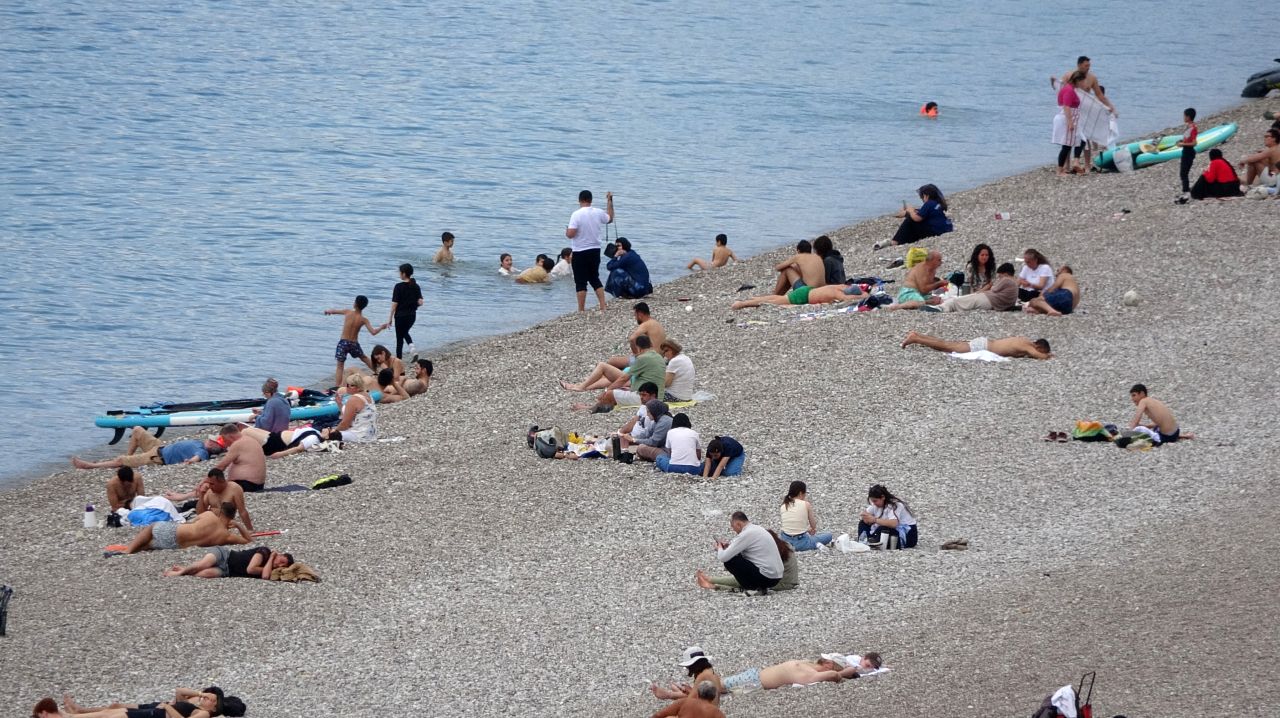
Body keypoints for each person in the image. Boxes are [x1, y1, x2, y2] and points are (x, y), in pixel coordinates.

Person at [564, 335, 666, 412]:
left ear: (639, 347)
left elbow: (624, 379)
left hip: (646, 397)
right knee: (617, 389)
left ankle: (588, 408)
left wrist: (606, 391)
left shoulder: (643, 358)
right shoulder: (658, 357)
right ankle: (587, 394)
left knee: (609, 394)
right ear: (650, 345)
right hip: (657, 395)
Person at [119, 501, 252, 555]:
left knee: (152, 528)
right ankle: (135, 549)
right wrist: (239, 525)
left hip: (174, 532)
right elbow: (248, 540)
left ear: (220, 511)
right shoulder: (225, 536)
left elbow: (189, 523)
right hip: (176, 545)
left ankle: (128, 551)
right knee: (149, 544)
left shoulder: (209, 515)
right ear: (232, 516)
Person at [1057, 56, 1117, 172]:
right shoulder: (1069, 75)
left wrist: (1110, 107)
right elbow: (1062, 91)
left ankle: (1087, 165)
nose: (1088, 68)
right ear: (1079, 65)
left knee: (1085, 138)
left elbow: (1100, 95)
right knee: (1068, 139)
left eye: (1089, 66)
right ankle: (1066, 166)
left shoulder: (1092, 78)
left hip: (1085, 110)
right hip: (1071, 109)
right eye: (1086, 66)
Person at [71, 427, 225, 471]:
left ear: (213, 447)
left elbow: (196, 458)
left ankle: (90, 465)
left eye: (213, 442)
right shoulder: (201, 444)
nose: (209, 441)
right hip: (159, 447)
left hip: (157, 458)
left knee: (121, 460)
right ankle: (126, 459)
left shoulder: (203, 452)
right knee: (137, 430)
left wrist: (190, 462)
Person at [696, 528, 796, 593]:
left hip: (783, 584)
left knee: (745, 583)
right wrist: (730, 549)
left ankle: (714, 585)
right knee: (746, 578)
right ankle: (711, 580)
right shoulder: (783, 546)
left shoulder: (773, 550)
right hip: (787, 581)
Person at [720, 653, 883, 693]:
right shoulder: (809, 667)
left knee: (716, 686)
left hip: (755, 681)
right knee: (716, 686)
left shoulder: (809, 670)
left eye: (827, 661)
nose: (823, 660)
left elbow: (833, 675)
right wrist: (848, 671)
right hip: (755, 678)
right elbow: (833, 674)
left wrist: (847, 672)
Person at [707, 511, 783, 594]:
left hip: (767, 578)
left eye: (733, 526)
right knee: (735, 556)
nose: (733, 529)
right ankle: (759, 588)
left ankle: (752, 588)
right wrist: (727, 548)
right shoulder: (757, 529)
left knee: (730, 561)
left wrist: (719, 548)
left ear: (738, 524)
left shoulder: (747, 534)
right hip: (776, 576)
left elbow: (723, 557)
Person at [566, 189, 614, 312]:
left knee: (580, 281)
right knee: (594, 277)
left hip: (580, 250)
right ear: (591, 200)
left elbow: (571, 234)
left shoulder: (576, 214)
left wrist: (566, 231)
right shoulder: (598, 212)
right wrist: (609, 201)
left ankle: (581, 309)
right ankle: (603, 305)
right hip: (595, 250)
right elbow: (610, 218)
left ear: (579, 200)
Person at [324, 294, 386, 390]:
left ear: (355, 304)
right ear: (364, 306)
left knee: (340, 365)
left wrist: (328, 311)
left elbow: (334, 311)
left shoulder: (348, 312)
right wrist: (381, 327)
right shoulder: (363, 320)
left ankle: (337, 387)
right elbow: (373, 332)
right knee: (364, 358)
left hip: (343, 343)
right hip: (354, 344)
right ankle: (378, 372)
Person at [163, 467, 253, 531]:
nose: (210, 486)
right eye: (209, 483)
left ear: (221, 481)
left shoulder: (234, 489)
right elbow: (200, 513)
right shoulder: (210, 492)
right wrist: (202, 495)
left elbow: (242, 511)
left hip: (220, 524)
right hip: (206, 521)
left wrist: (250, 530)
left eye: (212, 484)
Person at [61, 687, 231, 718]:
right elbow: (179, 691)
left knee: (115, 715)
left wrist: (167, 707)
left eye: (210, 699)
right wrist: (201, 693)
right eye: (207, 696)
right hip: (156, 709)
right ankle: (79, 712)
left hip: (157, 713)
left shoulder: (204, 713)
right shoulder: (196, 703)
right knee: (114, 709)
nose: (206, 698)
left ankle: (72, 716)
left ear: (214, 707)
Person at [873, 184, 953, 250]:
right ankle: (903, 241)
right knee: (913, 221)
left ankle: (895, 241)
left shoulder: (928, 204)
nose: (921, 199)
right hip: (942, 229)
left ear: (926, 196)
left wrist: (910, 211)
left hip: (935, 231)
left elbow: (917, 218)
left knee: (910, 221)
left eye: (922, 197)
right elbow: (923, 213)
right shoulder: (936, 204)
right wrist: (908, 212)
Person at [649, 647, 724, 708]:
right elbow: (705, 698)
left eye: (688, 666)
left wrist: (671, 696)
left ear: (694, 664)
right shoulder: (714, 675)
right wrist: (688, 691)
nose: (687, 668)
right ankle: (668, 694)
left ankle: (667, 694)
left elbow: (692, 701)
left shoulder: (702, 676)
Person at [163, 545, 293, 580]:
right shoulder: (265, 552)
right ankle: (179, 573)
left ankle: (184, 570)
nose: (280, 565)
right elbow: (251, 569)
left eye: (283, 565)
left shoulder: (270, 570)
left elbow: (265, 576)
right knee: (202, 565)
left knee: (204, 574)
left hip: (228, 571)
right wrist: (271, 556)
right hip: (224, 555)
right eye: (281, 561)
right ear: (279, 554)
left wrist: (272, 562)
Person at [901, 331, 1053, 359]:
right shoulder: (1027, 346)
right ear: (1038, 346)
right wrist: (1048, 355)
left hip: (985, 343)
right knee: (947, 347)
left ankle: (918, 335)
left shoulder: (1024, 340)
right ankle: (916, 338)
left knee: (947, 344)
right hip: (983, 347)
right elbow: (1038, 355)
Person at [606, 302, 666, 370]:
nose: (635, 318)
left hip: (648, 360)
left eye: (635, 315)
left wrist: (636, 354)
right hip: (659, 359)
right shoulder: (657, 324)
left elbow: (632, 339)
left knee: (611, 361)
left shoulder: (646, 324)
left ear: (640, 314)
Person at [857, 484, 918, 549]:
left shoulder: (896, 505)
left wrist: (874, 520)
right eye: (872, 501)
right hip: (891, 530)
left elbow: (893, 524)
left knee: (884, 528)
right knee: (862, 523)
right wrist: (867, 518)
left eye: (875, 501)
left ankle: (873, 540)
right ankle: (866, 540)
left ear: (883, 497)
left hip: (907, 534)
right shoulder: (876, 505)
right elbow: (864, 514)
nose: (874, 503)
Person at [941, 262, 1018, 312]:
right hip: (994, 303)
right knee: (966, 300)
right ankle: (945, 306)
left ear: (1005, 273)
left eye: (1000, 276)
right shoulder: (1014, 283)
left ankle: (943, 308)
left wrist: (993, 284)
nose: (999, 278)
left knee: (961, 301)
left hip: (989, 300)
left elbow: (994, 289)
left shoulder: (1006, 279)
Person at [209, 424, 266, 493]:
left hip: (246, 484)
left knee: (212, 492)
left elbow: (221, 467)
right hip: (256, 484)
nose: (225, 443)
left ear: (230, 436)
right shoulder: (249, 440)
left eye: (224, 439)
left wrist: (206, 482)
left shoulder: (238, 444)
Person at [322, 373, 377, 443]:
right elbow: (351, 416)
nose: (346, 387)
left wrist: (334, 431)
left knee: (325, 434)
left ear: (355, 387)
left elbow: (345, 424)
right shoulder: (368, 396)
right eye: (346, 384)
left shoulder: (354, 399)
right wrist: (339, 403)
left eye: (348, 385)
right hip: (370, 435)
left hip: (358, 435)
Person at [778, 480, 832, 551]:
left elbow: (791, 525)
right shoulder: (806, 504)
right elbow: (813, 525)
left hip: (785, 542)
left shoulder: (784, 506)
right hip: (801, 543)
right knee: (828, 536)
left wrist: (805, 530)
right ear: (800, 493)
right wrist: (810, 529)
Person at [387, 263, 424, 359]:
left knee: (399, 340)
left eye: (400, 272)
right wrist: (413, 304)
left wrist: (390, 318)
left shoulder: (398, 286)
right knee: (404, 333)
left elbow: (395, 304)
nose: (399, 274)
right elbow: (420, 302)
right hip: (412, 316)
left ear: (404, 274)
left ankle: (400, 362)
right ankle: (412, 349)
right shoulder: (416, 286)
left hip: (400, 316)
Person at [730, 283, 860, 310]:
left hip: (808, 290)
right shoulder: (838, 294)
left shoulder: (839, 287)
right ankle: (742, 304)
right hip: (803, 296)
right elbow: (848, 299)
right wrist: (859, 297)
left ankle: (753, 299)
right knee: (774, 301)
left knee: (775, 298)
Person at [1053, 71, 1086, 176]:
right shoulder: (1069, 90)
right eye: (1082, 82)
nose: (1083, 84)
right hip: (1067, 119)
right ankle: (1059, 170)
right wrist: (1070, 122)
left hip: (1072, 118)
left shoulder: (1070, 89)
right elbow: (1066, 106)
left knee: (1081, 139)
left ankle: (1074, 163)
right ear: (1077, 80)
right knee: (1066, 145)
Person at [616, 382, 661, 449]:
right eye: (640, 395)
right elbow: (634, 421)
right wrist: (620, 432)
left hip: (641, 441)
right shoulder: (643, 406)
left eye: (644, 395)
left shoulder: (657, 410)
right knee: (611, 440)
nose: (641, 397)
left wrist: (632, 439)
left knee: (613, 444)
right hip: (632, 436)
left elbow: (651, 436)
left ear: (653, 396)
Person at [236, 425, 324, 459]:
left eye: (329, 429)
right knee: (251, 429)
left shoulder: (314, 438)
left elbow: (298, 449)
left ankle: (234, 449)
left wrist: (280, 454)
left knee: (245, 432)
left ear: (327, 436)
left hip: (275, 444)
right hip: (275, 436)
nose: (328, 428)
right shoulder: (316, 432)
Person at [649, 681, 724, 718]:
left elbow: (658, 715)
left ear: (697, 693)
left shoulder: (684, 702)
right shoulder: (717, 713)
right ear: (714, 696)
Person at [1177, 107, 1199, 196]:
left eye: (1184, 116)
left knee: (1183, 173)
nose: (1183, 117)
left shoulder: (1193, 127)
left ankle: (1186, 191)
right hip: (1186, 151)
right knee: (1183, 173)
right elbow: (1187, 139)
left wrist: (1183, 144)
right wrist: (1181, 142)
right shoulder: (1189, 126)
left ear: (1188, 117)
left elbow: (1194, 143)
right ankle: (1185, 190)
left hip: (1189, 152)